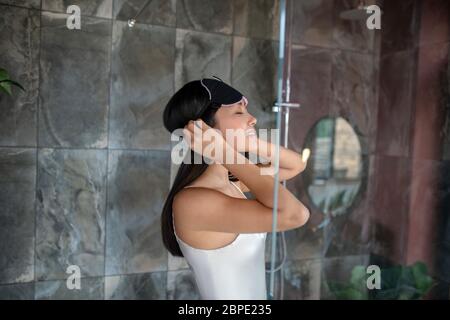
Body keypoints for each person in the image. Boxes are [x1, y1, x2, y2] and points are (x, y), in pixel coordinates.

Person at [161, 76, 310, 299]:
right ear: (204, 129)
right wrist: (222, 151)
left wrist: (249, 142)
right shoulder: (193, 202)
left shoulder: (231, 184)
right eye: (239, 112)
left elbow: (296, 165)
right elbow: (295, 215)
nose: (253, 119)